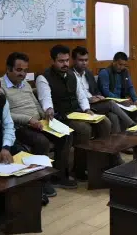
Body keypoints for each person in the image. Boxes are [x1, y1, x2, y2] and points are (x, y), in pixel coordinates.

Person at [1, 52, 75, 194]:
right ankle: (41, 182)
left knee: (66, 134)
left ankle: (58, 175)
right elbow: (4, 114)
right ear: (8, 69)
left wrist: (45, 114)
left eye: (25, 70)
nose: (22, 74)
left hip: (38, 123)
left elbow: (35, 104)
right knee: (42, 142)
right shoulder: (0, 87)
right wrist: (29, 119)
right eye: (18, 70)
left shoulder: (25, 84)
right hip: (19, 127)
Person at [37, 45, 114, 180]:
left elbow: (81, 96)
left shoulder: (72, 75)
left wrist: (87, 109)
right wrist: (48, 108)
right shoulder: (43, 77)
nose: (65, 64)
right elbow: (45, 98)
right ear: (53, 61)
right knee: (84, 129)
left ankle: (100, 164)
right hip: (60, 115)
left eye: (67, 60)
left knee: (105, 122)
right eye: (61, 61)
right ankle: (79, 169)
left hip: (76, 112)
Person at [71, 46, 136, 132]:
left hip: (95, 103)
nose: (84, 63)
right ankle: (133, 125)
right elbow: (73, 97)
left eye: (86, 60)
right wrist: (89, 100)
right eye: (81, 60)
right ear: (73, 60)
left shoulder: (88, 73)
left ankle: (119, 139)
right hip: (82, 106)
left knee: (114, 116)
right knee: (111, 103)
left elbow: (96, 90)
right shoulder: (70, 75)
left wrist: (99, 96)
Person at [97, 52, 137, 125]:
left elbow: (130, 87)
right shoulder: (105, 72)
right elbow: (106, 92)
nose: (122, 67)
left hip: (122, 101)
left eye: (124, 65)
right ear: (114, 61)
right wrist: (120, 101)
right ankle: (132, 125)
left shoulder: (125, 72)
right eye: (120, 64)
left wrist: (135, 99)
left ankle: (136, 130)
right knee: (114, 116)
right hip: (110, 102)